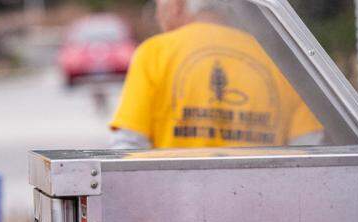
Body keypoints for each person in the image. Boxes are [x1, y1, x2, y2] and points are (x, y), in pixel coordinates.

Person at [108, 0, 322, 150]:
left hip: (177, 204)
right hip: (263, 204)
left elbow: (128, 148)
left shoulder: (155, 53)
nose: (157, 14)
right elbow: (309, 146)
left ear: (177, 4)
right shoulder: (273, 58)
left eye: (159, 4)